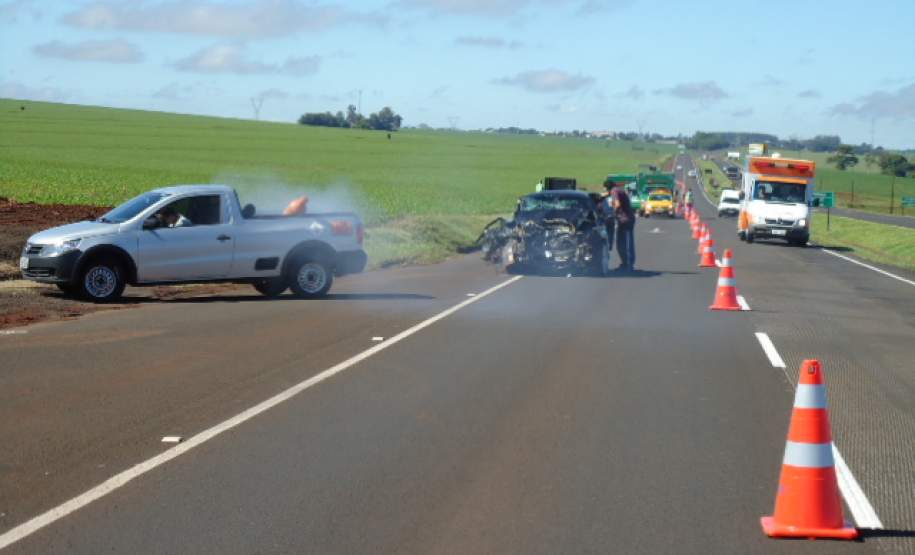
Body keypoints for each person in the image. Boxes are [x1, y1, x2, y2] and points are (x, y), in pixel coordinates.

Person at [609, 180, 636, 271]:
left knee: (622, 243)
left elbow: (617, 204)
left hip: (624, 220)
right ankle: (628, 263)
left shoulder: (614, 191)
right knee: (628, 241)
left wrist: (613, 214)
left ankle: (627, 264)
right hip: (629, 218)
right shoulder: (620, 190)